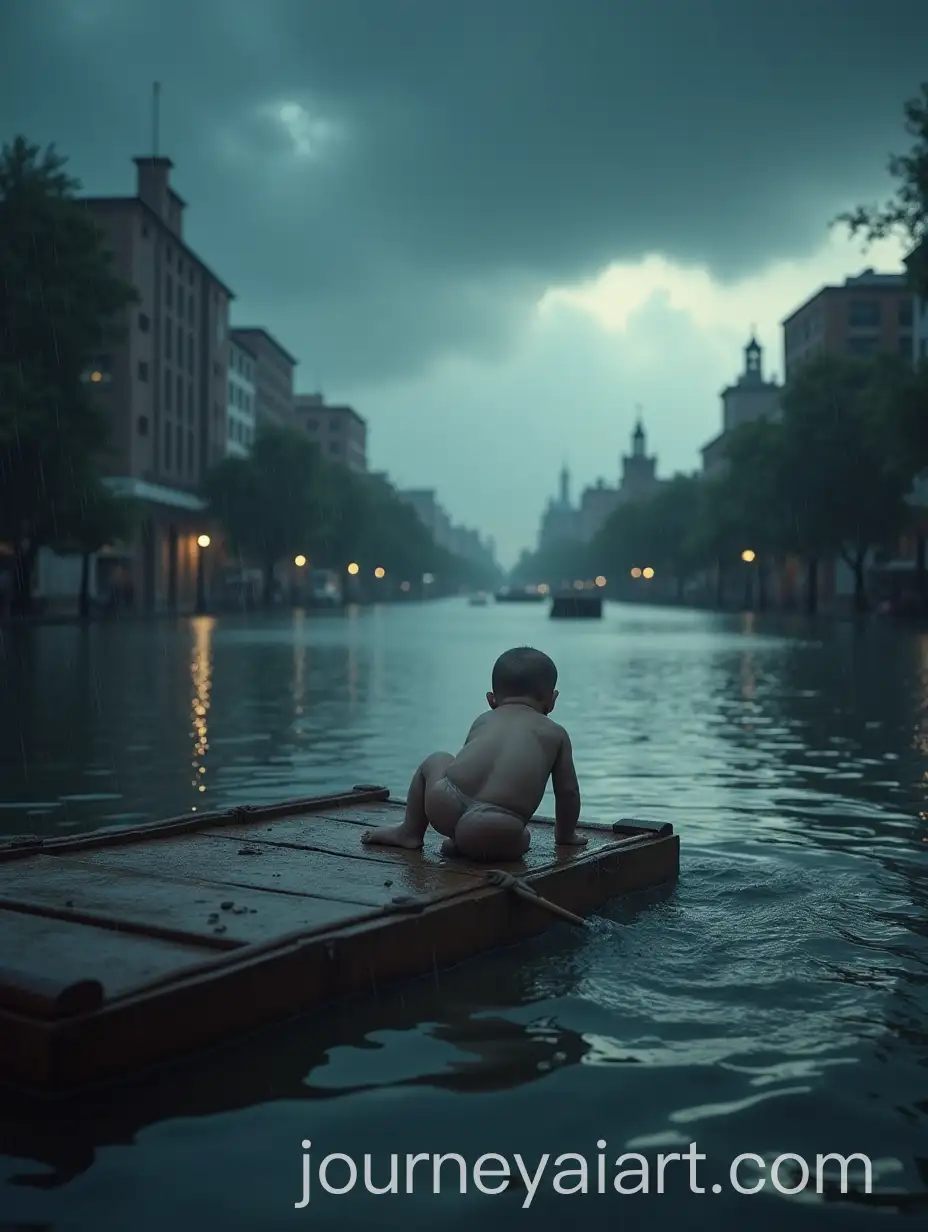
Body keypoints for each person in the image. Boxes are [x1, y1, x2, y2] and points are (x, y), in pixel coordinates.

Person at [361, 646, 586, 862]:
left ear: (491, 699)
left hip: (444, 802)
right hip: (494, 824)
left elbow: (465, 764)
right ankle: (470, 844)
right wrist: (565, 836)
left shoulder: (484, 719)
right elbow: (568, 792)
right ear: (552, 700)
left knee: (437, 759)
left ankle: (410, 832)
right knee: (522, 838)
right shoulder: (555, 734)